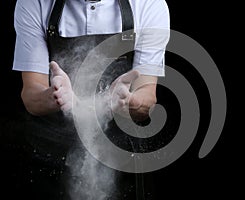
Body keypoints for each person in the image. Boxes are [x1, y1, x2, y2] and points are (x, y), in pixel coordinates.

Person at [11, 0, 170, 199]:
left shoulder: (149, 4)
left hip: (122, 159)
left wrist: (127, 102)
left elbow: (147, 95)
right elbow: (31, 95)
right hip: (49, 159)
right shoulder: (34, 3)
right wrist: (56, 97)